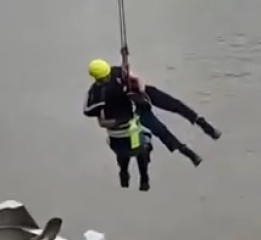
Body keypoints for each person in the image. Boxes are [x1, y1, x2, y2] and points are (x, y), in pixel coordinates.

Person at [84, 59, 218, 172]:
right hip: (134, 112)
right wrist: (108, 119)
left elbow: (134, 77)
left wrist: (138, 86)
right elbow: (90, 111)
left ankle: (202, 123)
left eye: (108, 74)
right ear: (97, 78)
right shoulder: (96, 92)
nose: (108, 77)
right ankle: (188, 152)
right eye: (104, 78)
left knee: (174, 104)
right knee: (160, 130)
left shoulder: (115, 71)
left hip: (143, 95)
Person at [83, 61, 153, 189]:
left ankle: (132, 177)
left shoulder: (95, 93)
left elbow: (88, 110)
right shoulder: (108, 84)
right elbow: (88, 111)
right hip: (124, 130)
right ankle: (139, 178)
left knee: (128, 152)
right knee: (141, 150)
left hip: (122, 131)